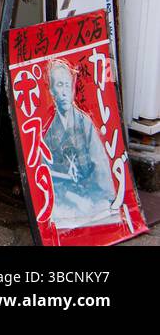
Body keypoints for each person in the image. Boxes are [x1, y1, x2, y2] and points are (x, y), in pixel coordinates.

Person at [44, 59, 118, 226]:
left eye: (66, 85)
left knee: (102, 210)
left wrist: (103, 196)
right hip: (64, 195)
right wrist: (72, 197)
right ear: (51, 90)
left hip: (89, 190)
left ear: (72, 88)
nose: (63, 92)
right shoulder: (48, 129)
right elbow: (46, 173)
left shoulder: (84, 122)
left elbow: (99, 163)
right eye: (58, 85)